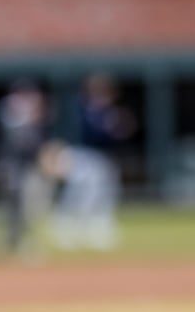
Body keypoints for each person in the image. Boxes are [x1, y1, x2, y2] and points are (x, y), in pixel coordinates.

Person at [53, 73, 135, 250]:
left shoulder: (109, 112)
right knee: (78, 194)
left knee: (105, 194)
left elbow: (117, 134)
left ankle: (98, 230)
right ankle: (66, 229)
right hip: (80, 155)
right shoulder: (80, 108)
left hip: (102, 157)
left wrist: (118, 127)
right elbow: (84, 132)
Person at [0, 79, 53, 258]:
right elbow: (18, 141)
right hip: (11, 166)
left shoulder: (33, 116)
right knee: (13, 207)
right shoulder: (9, 112)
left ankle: (18, 243)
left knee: (31, 207)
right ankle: (10, 244)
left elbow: (37, 143)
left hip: (29, 167)